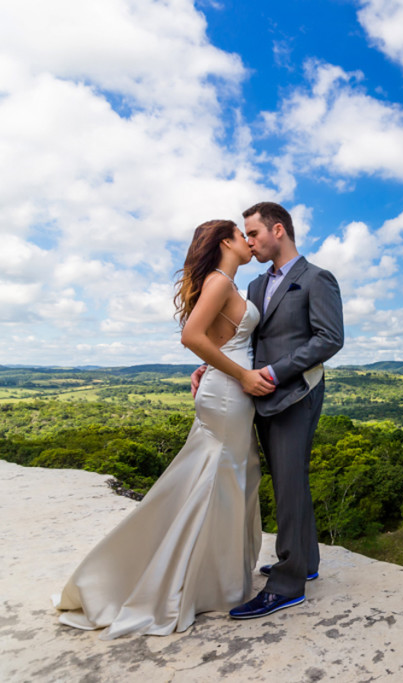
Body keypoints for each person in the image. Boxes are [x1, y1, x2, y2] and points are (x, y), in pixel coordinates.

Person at [54, 219, 269, 639]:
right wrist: (242, 376)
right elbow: (191, 335)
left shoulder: (223, 283)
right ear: (227, 241)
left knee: (227, 478)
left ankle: (211, 578)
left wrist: (212, 366)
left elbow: (216, 339)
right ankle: (210, 585)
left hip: (223, 388)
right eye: (242, 236)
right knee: (223, 481)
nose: (249, 242)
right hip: (228, 393)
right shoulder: (221, 282)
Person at [195, 202, 344, 620]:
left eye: (254, 233)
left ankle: (287, 583)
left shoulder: (316, 278)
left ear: (278, 230)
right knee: (285, 478)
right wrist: (211, 364)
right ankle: (307, 561)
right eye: (245, 234)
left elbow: (330, 339)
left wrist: (275, 372)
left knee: (291, 480)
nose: (249, 241)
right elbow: (243, 336)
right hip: (261, 395)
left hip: (297, 392)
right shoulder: (258, 285)